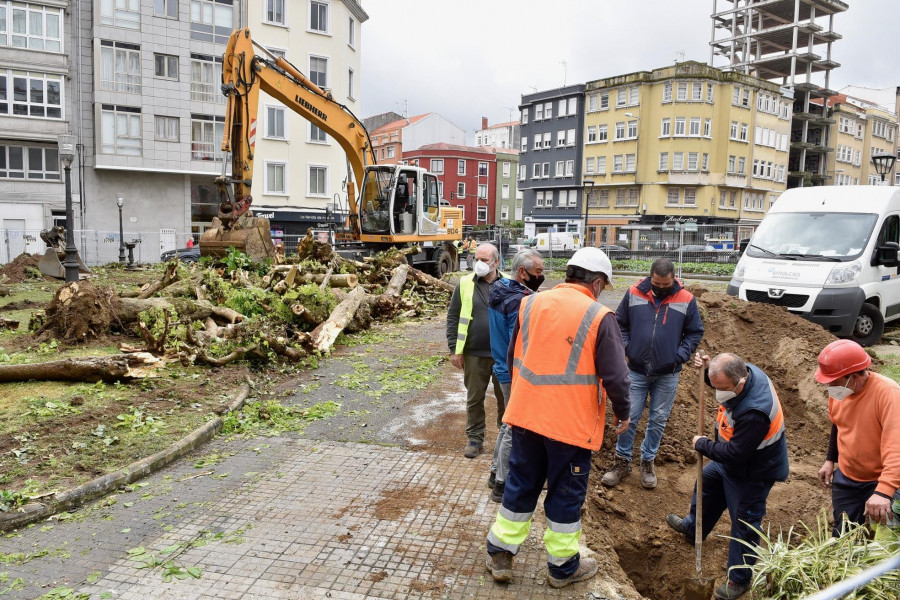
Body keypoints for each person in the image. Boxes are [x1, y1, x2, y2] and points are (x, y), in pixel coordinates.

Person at [485, 247, 631, 589]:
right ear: (596, 283)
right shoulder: (599, 316)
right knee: (565, 495)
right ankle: (563, 568)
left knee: (520, 485)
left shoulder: (531, 302)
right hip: (568, 425)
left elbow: (513, 355)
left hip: (525, 415)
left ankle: (501, 555)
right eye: (604, 286)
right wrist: (623, 413)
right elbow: (617, 377)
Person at [666, 352, 789, 600]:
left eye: (721, 389)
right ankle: (693, 528)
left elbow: (736, 453)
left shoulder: (755, 411)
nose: (717, 394)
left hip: (752, 471)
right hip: (729, 460)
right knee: (707, 483)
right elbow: (720, 378)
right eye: (715, 386)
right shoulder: (743, 371)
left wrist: (702, 445)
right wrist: (708, 369)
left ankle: (739, 579)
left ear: (740, 383)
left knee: (744, 522)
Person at [602, 257, 704, 489]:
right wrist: (627, 348)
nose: (660, 289)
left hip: (668, 372)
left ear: (673, 280)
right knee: (629, 416)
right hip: (636, 370)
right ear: (650, 278)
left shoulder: (686, 299)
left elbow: (694, 332)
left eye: (665, 285)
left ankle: (647, 461)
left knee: (658, 419)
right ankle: (622, 461)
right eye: (656, 284)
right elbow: (620, 324)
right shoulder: (634, 293)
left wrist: (678, 356)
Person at [814, 339, 900, 537]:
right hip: (848, 478)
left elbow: (896, 447)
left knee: (885, 543)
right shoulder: (840, 392)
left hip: (882, 479)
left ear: (853, 377)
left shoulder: (888, 394)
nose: (830, 387)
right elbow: (838, 423)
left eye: (833, 382)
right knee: (843, 536)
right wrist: (830, 460)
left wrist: (884, 491)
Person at [486, 248, 544, 503]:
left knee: (508, 422)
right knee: (514, 426)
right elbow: (518, 342)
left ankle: (494, 472)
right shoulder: (519, 300)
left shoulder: (500, 290)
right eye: (538, 272)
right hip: (513, 371)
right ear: (523, 272)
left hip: (501, 366)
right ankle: (502, 482)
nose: (541, 276)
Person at [446, 242, 506, 458]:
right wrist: (455, 349)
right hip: (473, 354)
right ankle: (475, 439)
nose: (478, 263)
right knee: (474, 399)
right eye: (476, 259)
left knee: (506, 400)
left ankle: (505, 440)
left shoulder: (508, 284)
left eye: (484, 260)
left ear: (496, 262)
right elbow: (453, 317)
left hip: (502, 356)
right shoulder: (464, 284)